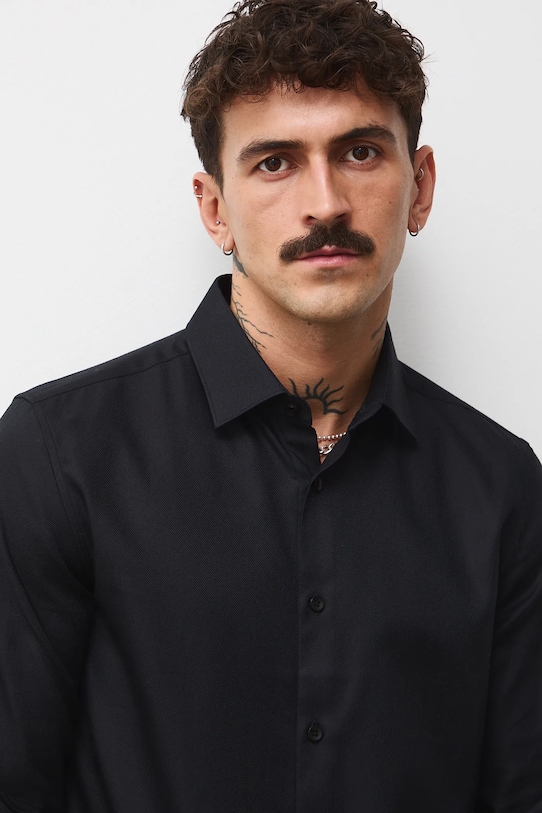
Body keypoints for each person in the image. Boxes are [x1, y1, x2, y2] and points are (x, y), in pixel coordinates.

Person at [0, 0, 541, 809]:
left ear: (420, 188)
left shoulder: (502, 484)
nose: (326, 203)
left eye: (360, 152)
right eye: (275, 162)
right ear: (215, 208)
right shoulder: (57, 452)